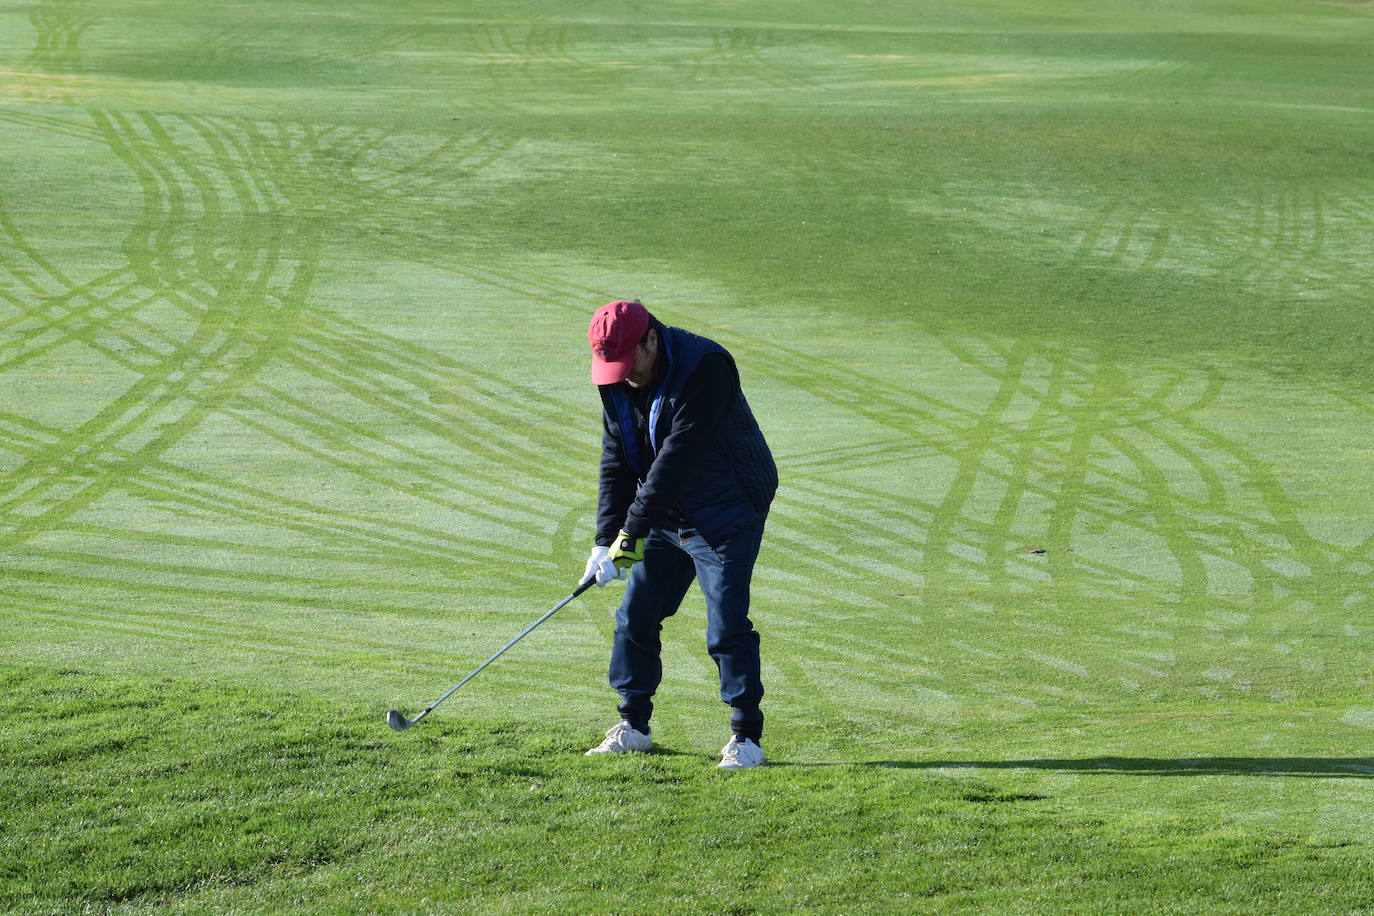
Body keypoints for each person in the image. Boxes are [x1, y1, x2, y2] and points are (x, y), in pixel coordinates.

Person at [579, 299, 778, 769]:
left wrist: (631, 531)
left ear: (651, 339)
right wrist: (605, 539)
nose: (624, 375)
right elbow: (618, 457)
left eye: (630, 363)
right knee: (635, 615)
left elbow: (676, 460)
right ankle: (633, 725)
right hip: (664, 513)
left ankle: (746, 738)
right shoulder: (617, 375)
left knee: (726, 626)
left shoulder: (707, 368)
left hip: (726, 511)